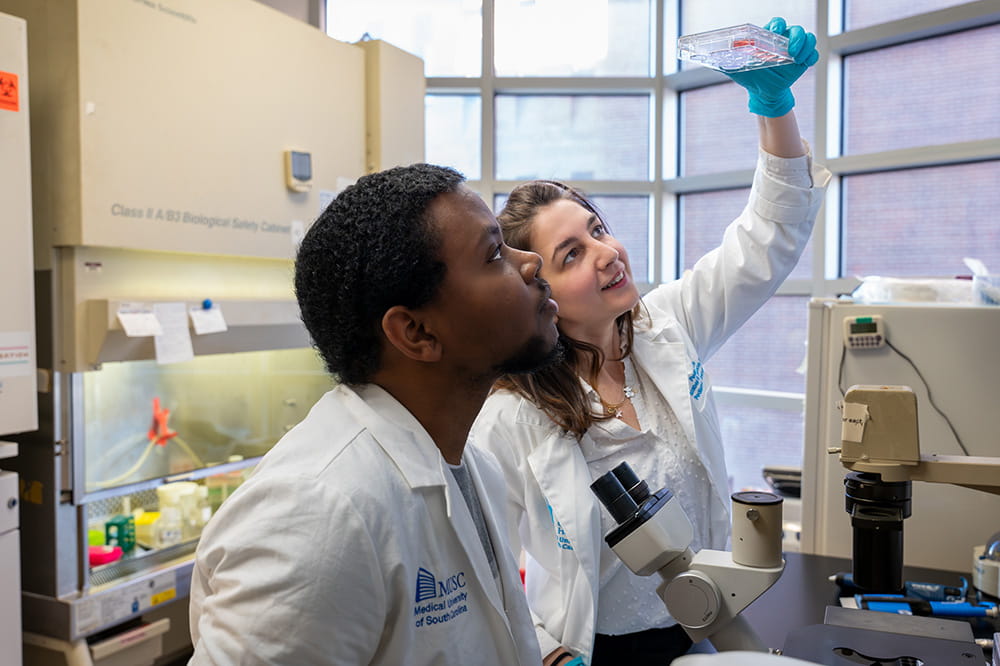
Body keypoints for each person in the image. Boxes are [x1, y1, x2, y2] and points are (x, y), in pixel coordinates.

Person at [470, 18, 831, 666]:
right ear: (537, 285)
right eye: (573, 252)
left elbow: (766, 241)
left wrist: (774, 108)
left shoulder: (666, 326)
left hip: (708, 623)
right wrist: (541, 653)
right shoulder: (510, 415)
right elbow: (478, 562)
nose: (608, 254)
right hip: (594, 650)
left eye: (599, 229)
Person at [188, 163, 561, 665]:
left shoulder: (471, 465)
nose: (531, 262)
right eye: (495, 254)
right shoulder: (318, 514)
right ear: (417, 334)